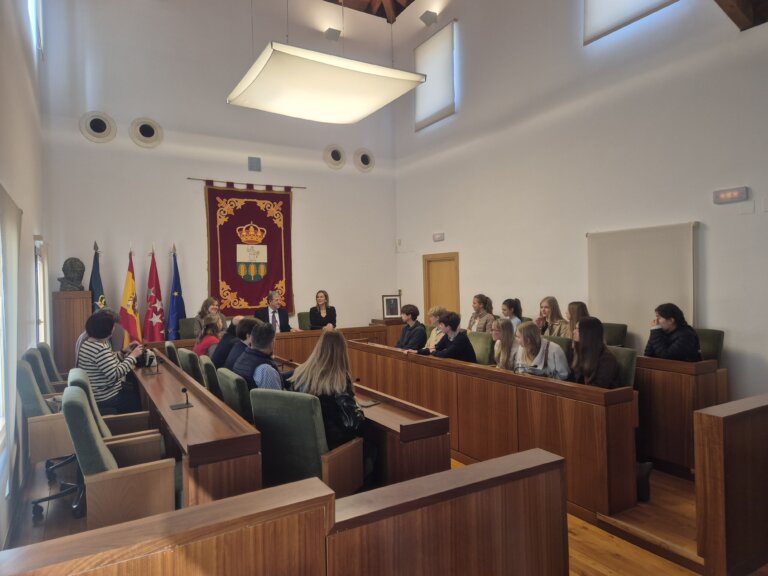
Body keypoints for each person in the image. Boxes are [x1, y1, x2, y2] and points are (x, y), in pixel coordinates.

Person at [288, 331, 364, 450]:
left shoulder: (300, 373)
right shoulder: (340, 380)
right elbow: (353, 424)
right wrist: (357, 405)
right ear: (342, 352)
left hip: (303, 443)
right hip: (334, 448)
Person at [76, 311, 143, 413]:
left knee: (133, 387)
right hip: (105, 397)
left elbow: (107, 362)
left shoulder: (88, 342)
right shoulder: (100, 349)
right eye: (112, 326)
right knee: (138, 399)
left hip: (101, 392)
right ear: (106, 331)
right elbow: (115, 374)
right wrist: (133, 356)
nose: (114, 328)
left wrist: (123, 352)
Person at [570, 317, 620, 389]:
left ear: (588, 333)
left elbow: (598, 387)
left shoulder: (607, 359)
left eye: (577, 329)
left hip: (596, 394)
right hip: (579, 392)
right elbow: (571, 378)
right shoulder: (578, 351)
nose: (573, 332)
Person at [232, 323, 284, 390]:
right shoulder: (266, 370)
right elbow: (276, 396)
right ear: (273, 342)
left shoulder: (242, 357)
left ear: (251, 339)